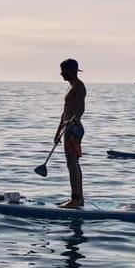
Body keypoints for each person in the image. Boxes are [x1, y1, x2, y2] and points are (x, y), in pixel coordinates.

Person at [54, 58, 86, 208]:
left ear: (69, 71)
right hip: (68, 128)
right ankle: (78, 198)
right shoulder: (71, 87)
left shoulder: (79, 87)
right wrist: (58, 130)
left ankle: (76, 199)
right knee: (72, 164)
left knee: (72, 164)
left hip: (74, 129)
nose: (61, 74)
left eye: (63, 71)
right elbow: (65, 111)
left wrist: (73, 120)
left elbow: (80, 109)